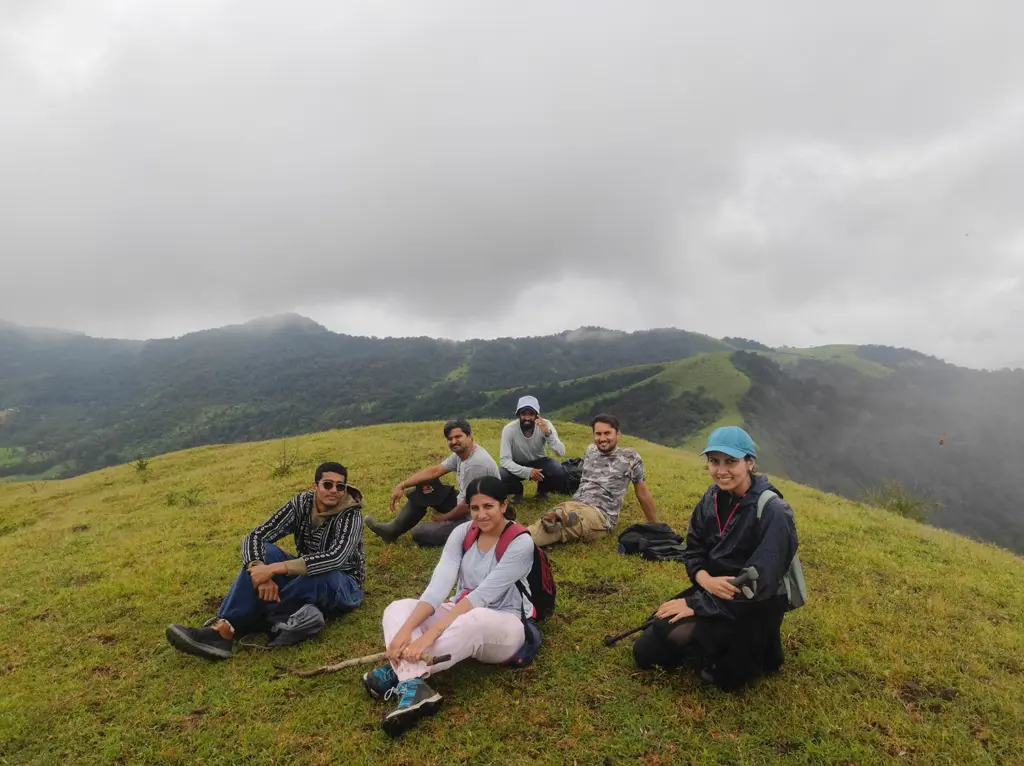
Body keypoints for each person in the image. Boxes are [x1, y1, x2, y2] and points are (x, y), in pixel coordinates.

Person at [361, 476, 536, 737]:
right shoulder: (463, 533)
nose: (481, 515)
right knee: (398, 607)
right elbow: (438, 586)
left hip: (504, 623)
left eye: (488, 506)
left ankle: (398, 672)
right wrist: (406, 630)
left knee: (472, 619)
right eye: (475, 508)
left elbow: (481, 597)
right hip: (458, 610)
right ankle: (415, 683)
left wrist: (429, 635)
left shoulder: (520, 542)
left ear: (503, 505)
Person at [631, 426, 799, 691]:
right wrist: (704, 579)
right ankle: (720, 645)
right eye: (714, 461)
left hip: (753, 602)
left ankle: (762, 649)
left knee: (724, 680)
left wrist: (697, 605)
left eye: (731, 462)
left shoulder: (774, 512)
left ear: (750, 462)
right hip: (713, 588)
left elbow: (761, 582)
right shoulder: (710, 498)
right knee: (645, 651)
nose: (721, 470)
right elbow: (694, 549)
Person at [165, 462, 365, 659]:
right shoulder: (301, 503)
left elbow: (336, 558)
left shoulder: (351, 514)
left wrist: (274, 569)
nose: (334, 491)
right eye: (327, 484)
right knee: (265, 552)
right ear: (315, 486)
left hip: (344, 584)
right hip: (303, 577)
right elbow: (256, 536)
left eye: (340, 486)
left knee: (321, 575)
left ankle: (252, 617)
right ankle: (224, 628)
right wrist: (259, 570)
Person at [527, 413, 659, 547]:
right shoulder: (591, 450)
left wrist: (656, 526)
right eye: (598, 434)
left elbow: (642, 493)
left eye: (607, 433)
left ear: (618, 434)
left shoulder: (630, 458)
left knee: (563, 523)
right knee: (548, 520)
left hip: (600, 515)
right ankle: (520, 536)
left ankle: (520, 542)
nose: (602, 438)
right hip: (575, 503)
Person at [364, 418, 500, 547]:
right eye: (450, 438)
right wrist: (402, 485)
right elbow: (435, 471)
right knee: (427, 486)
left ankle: (469, 536)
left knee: (420, 533)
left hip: (478, 519)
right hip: (468, 503)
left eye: (458, 437)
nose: (454, 441)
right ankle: (392, 530)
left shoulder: (476, 464)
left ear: (469, 436)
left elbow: (468, 506)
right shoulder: (463, 453)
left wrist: (445, 518)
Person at [498, 395, 568, 502]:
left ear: (536, 415)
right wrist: (528, 472)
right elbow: (505, 460)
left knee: (558, 470)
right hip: (517, 463)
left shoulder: (545, 425)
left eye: (531, 414)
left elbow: (561, 452)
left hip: (540, 462)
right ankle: (517, 491)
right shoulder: (509, 429)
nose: (527, 418)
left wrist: (548, 434)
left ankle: (542, 491)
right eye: (523, 414)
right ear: (518, 415)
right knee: (500, 475)